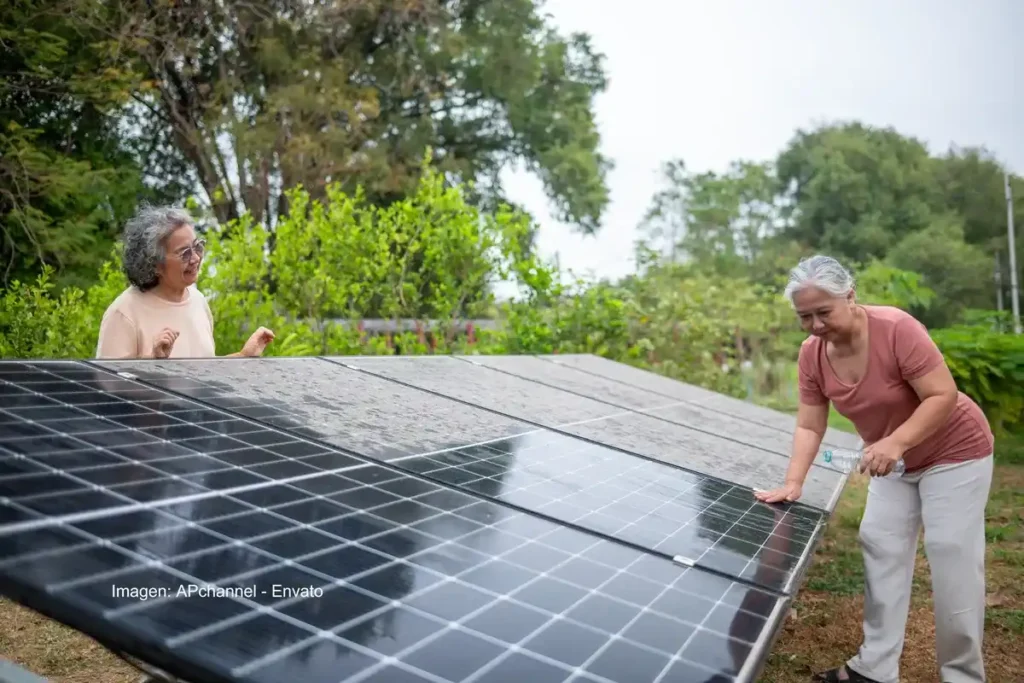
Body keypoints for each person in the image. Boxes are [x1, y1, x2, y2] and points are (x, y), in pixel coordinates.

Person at [755, 255, 994, 683]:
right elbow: (811, 422)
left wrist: (896, 440)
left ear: (850, 296)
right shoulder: (812, 354)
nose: (814, 325)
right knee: (879, 545)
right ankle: (875, 669)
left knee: (950, 553)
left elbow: (942, 395)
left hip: (954, 450)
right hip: (893, 462)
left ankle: (963, 675)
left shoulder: (896, 329)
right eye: (803, 317)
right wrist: (793, 482)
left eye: (823, 312)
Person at [96, 205, 275, 359]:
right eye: (185, 253)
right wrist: (152, 361)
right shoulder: (124, 313)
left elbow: (202, 375)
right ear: (155, 264)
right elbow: (109, 388)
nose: (196, 258)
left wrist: (243, 357)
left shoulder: (198, 301)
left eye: (198, 246)